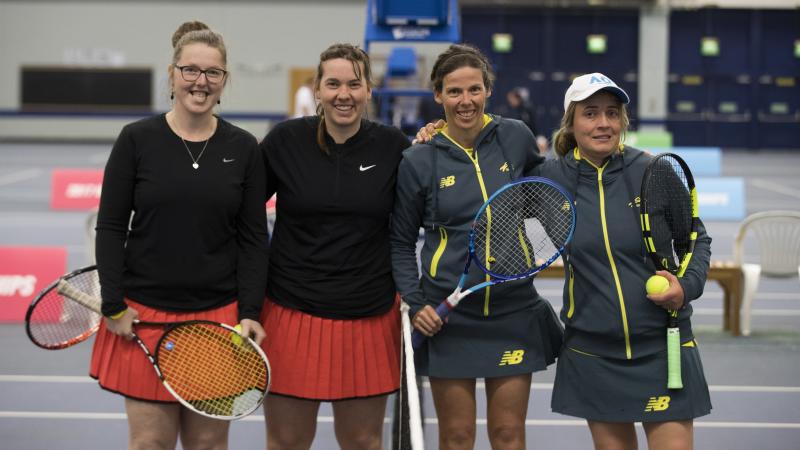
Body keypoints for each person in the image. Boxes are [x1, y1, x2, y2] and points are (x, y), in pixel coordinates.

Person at [91, 21, 268, 450]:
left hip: (216, 322)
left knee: (208, 446)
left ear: (224, 81)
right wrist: (113, 304)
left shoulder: (244, 148)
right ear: (171, 75)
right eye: (190, 70)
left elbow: (252, 239)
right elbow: (111, 225)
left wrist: (250, 311)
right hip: (144, 318)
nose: (200, 82)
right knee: (149, 443)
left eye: (212, 73)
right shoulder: (136, 140)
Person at [390, 43, 563, 450]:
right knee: (457, 436)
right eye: (454, 91)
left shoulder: (515, 137)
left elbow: (547, 195)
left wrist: (550, 244)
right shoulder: (420, 160)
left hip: (513, 310)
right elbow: (399, 242)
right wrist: (418, 304)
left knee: (507, 434)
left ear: (488, 90)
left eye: (474, 90)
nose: (465, 101)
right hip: (449, 317)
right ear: (438, 96)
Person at [540, 73, 712, 449]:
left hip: (662, 346)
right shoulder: (549, 180)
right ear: (571, 121)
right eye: (590, 113)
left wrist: (687, 287)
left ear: (623, 121)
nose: (603, 123)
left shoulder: (654, 172)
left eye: (612, 113)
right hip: (593, 351)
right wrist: (435, 132)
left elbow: (696, 239)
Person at [258, 43, 411, 450]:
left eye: (354, 84)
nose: (344, 94)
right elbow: (237, 209)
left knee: (363, 441)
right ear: (317, 89)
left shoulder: (395, 146)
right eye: (333, 84)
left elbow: (420, 218)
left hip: (368, 316)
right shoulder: (285, 141)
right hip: (290, 313)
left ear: (368, 90)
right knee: (287, 441)